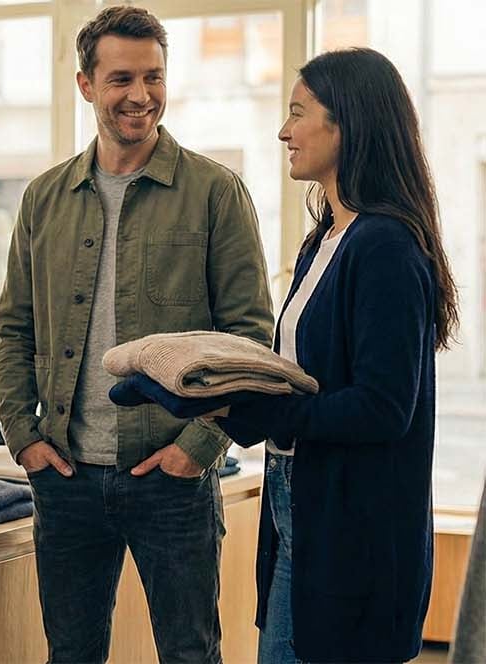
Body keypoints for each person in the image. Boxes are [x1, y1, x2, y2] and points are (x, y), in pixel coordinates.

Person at [0, 6, 273, 662]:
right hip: (64, 476)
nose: (140, 96)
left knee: (188, 653)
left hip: (170, 477)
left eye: (153, 77)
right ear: (85, 84)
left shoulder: (213, 192)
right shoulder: (42, 198)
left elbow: (249, 337)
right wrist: (21, 434)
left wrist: (198, 447)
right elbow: (14, 327)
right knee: (71, 654)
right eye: (120, 79)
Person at [214, 47, 458, 663]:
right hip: (296, 504)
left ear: (346, 122)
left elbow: (381, 408)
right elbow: (303, 381)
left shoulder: (384, 247)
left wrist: (272, 414)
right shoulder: (323, 239)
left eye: (298, 113)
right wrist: (221, 402)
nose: (283, 131)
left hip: (355, 532)